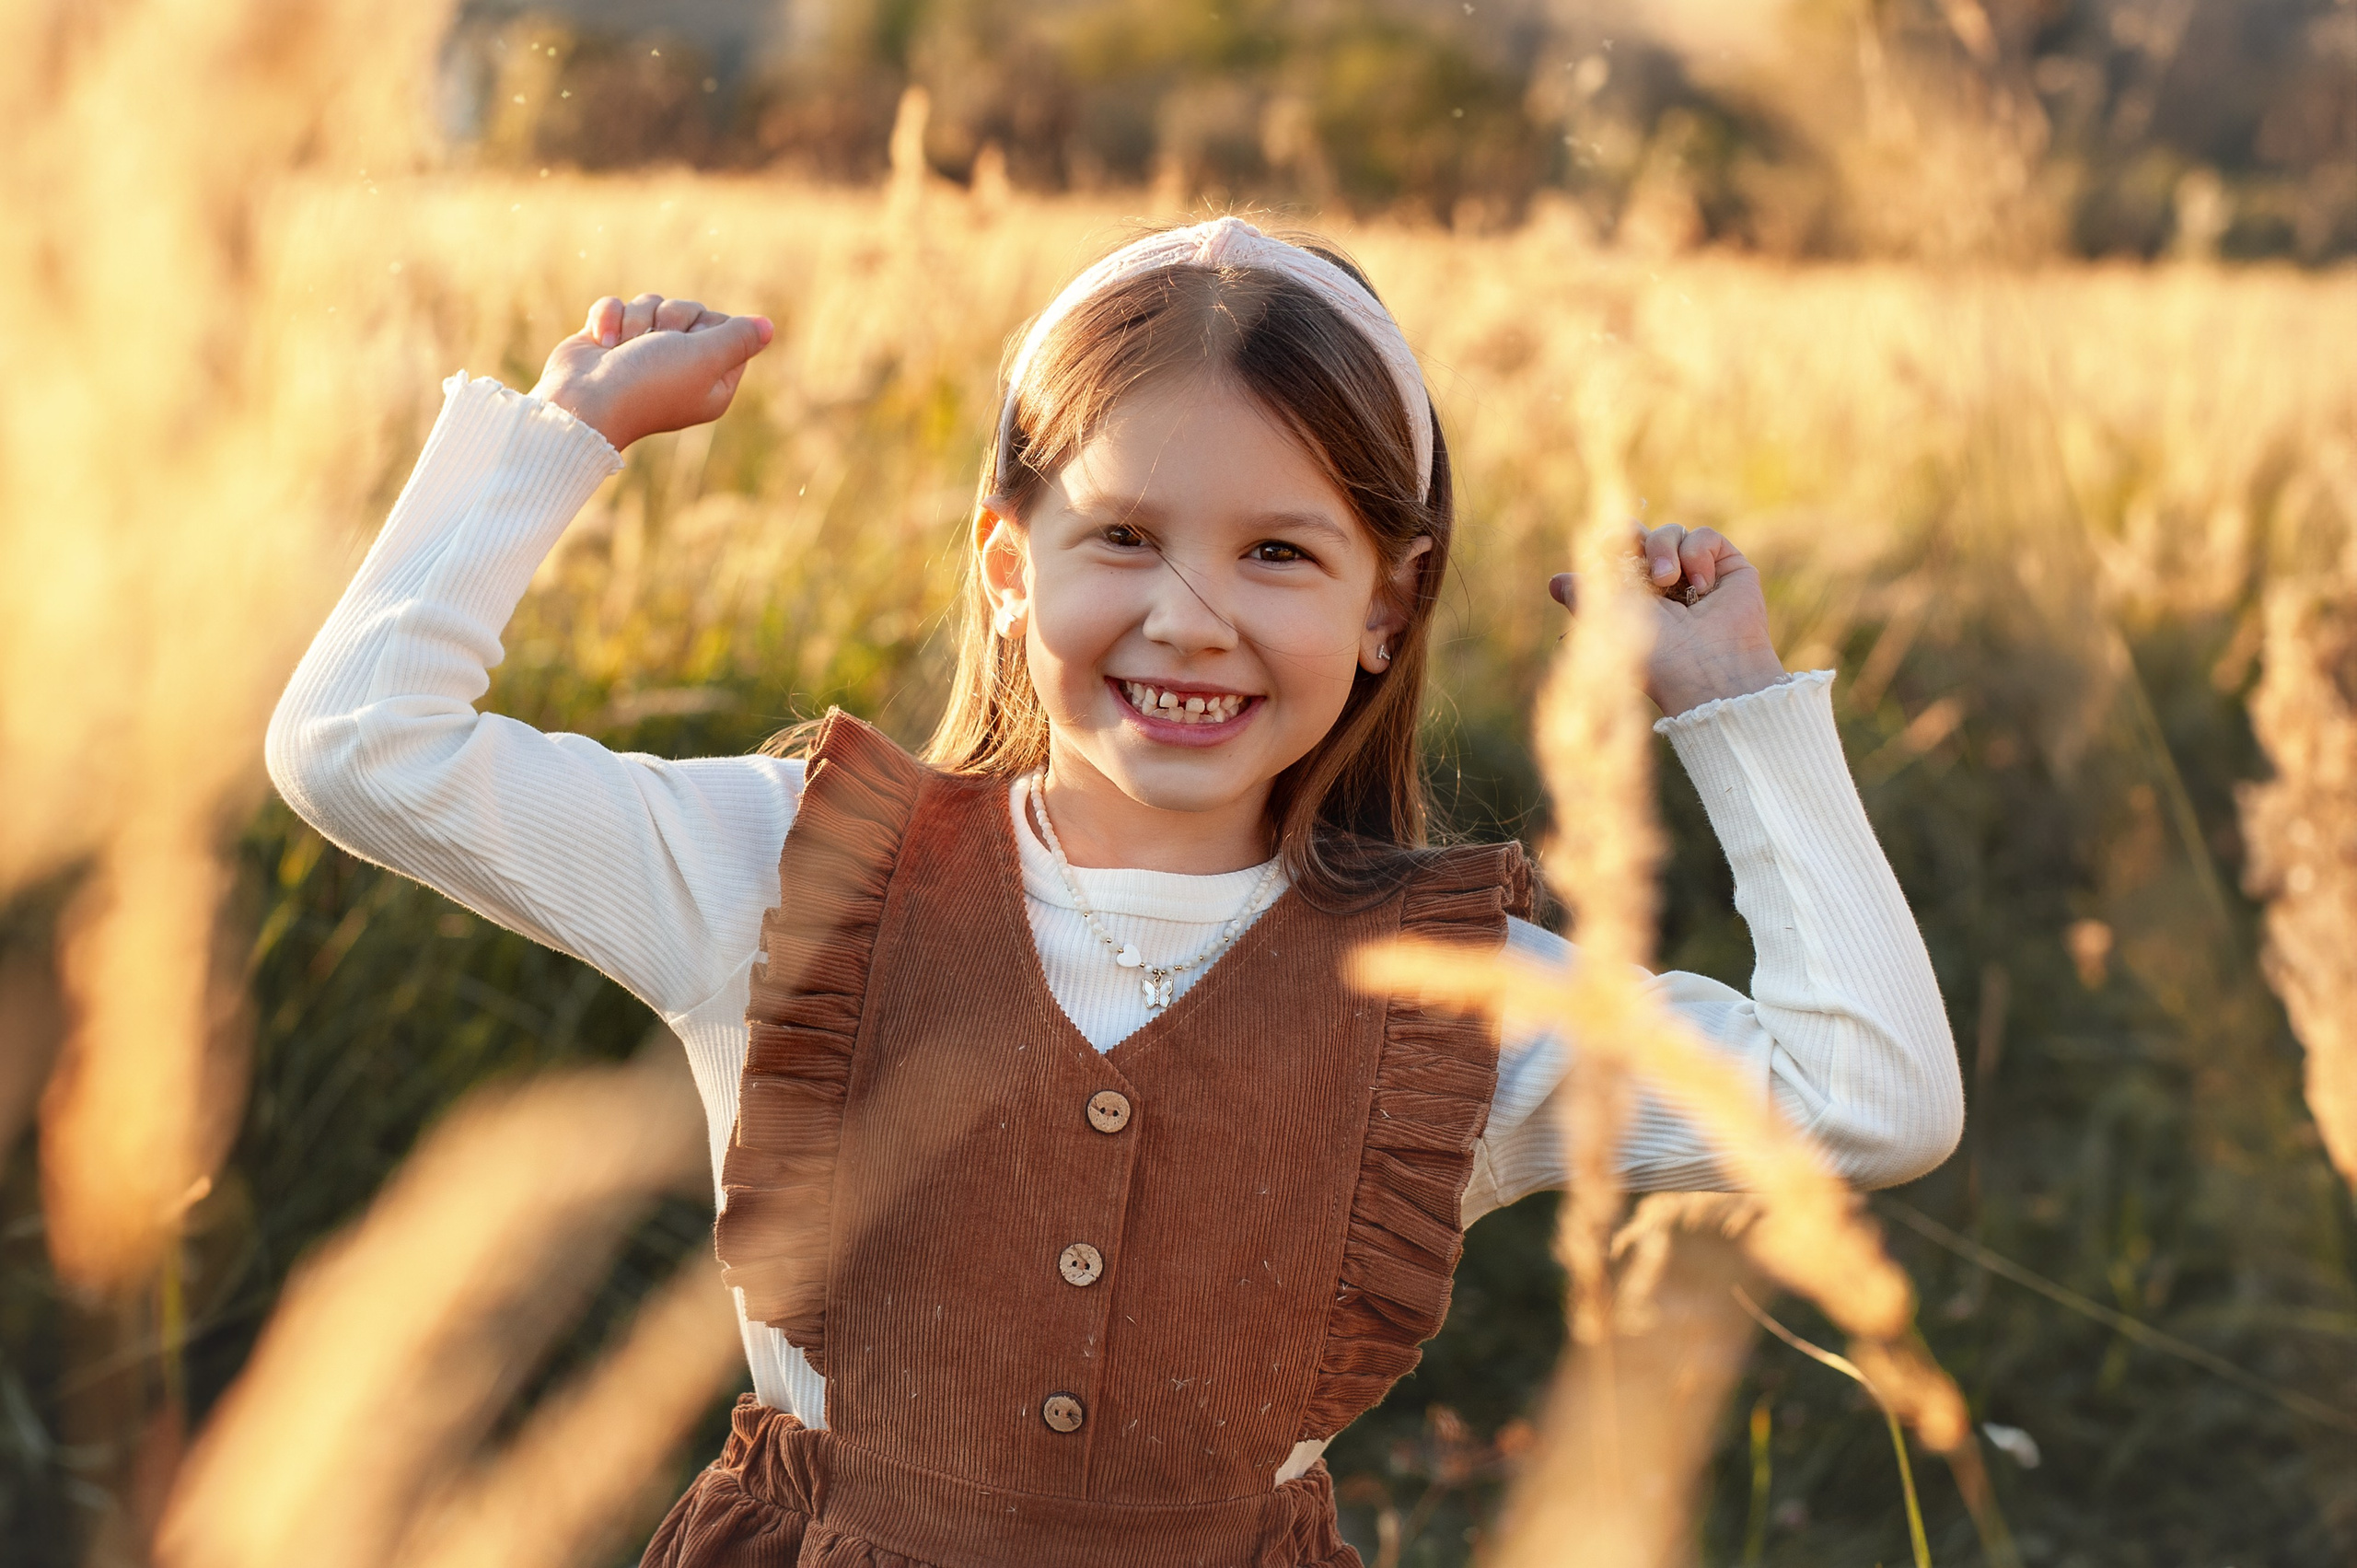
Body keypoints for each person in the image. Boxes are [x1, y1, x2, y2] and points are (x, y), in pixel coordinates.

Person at [266, 217, 1963, 1567]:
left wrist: (1733, 711)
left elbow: (1868, 1099)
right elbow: (358, 747)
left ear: (1391, 602)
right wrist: (563, 436)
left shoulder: (1460, 1002)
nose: (1190, 618)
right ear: (1010, 568)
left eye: (1280, 553)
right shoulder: (787, 869)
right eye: (1125, 538)